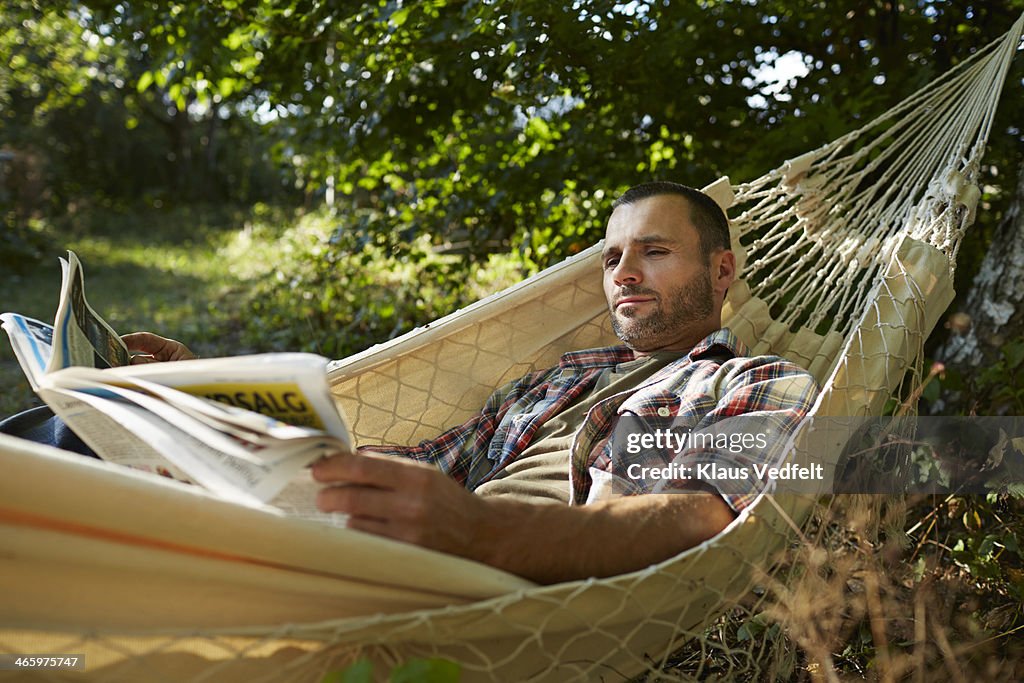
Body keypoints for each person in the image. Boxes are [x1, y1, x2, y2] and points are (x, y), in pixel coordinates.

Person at [115, 181, 818, 585]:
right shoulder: (558, 379)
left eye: (654, 252)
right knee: (84, 445)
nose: (623, 275)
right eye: (611, 259)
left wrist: (484, 532)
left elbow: (705, 513)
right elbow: (423, 466)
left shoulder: (762, 381)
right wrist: (210, 397)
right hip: (396, 549)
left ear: (722, 272)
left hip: (506, 584)